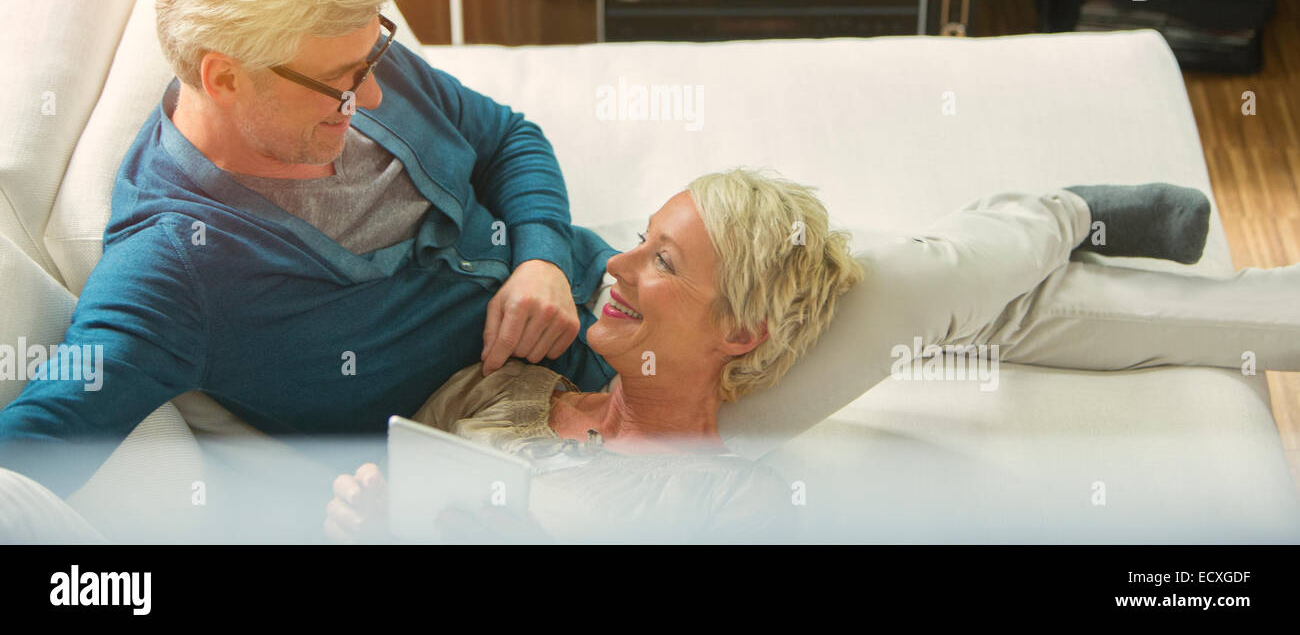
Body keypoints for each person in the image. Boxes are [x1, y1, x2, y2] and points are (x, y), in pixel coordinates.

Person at [0, 0, 620, 517]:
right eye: (342, 82)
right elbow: (40, 442)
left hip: (620, 291)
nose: (374, 94)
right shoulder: (171, 268)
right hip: (553, 449)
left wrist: (540, 256)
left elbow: (510, 138)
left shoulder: (346, 56)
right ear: (225, 78)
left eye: (373, 55)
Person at [324, 171, 1300, 543]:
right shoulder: (501, 393)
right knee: (984, 308)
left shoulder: (717, 499)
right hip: (676, 361)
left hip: (712, 349)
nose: (609, 269)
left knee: (937, 282)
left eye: (657, 257)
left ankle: (1065, 211)